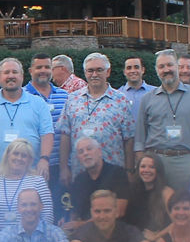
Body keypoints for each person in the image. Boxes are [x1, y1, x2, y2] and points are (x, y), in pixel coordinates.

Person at [136, 49, 190, 193]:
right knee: (156, 210)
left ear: (177, 66)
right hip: (155, 163)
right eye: (161, 67)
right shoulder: (147, 99)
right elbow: (139, 138)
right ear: (156, 70)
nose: (166, 70)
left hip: (186, 162)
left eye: (169, 65)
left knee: (185, 209)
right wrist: (143, 165)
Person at [57, 52, 134, 185]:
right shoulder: (72, 99)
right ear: (85, 73)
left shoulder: (121, 100)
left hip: (113, 173)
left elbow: (129, 138)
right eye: (90, 70)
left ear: (108, 72)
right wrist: (63, 168)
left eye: (99, 70)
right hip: (80, 172)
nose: (94, 74)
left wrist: (129, 169)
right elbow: (65, 135)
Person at [0, 57, 54, 179]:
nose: (11, 76)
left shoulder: (38, 103)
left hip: (32, 172)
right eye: (6, 72)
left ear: (22, 76)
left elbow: (47, 133)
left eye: (15, 72)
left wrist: (44, 159)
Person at [0, 139, 53, 232]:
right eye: (16, 154)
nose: (19, 158)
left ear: (30, 160)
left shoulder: (38, 181)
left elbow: (47, 216)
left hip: (30, 241)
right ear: (8, 156)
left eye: (24, 156)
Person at [23, 54, 68, 204]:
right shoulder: (22, 96)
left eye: (47, 67)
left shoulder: (65, 96)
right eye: (39, 67)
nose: (43, 70)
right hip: (31, 167)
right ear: (30, 70)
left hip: (59, 165)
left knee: (59, 209)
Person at [65, 137, 130, 230]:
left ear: (99, 152)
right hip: (86, 233)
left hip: (115, 230)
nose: (85, 153)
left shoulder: (117, 173)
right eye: (81, 152)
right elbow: (75, 213)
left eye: (89, 149)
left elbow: (119, 211)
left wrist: (82, 225)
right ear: (78, 158)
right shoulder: (79, 180)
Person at [123, 152, 172, 241]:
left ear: (158, 170)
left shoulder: (166, 192)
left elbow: (178, 222)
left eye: (151, 167)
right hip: (134, 239)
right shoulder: (131, 190)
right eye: (143, 166)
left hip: (157, 240)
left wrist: (157, 236)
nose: (146, 170)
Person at [116, 55, 154, 121]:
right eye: (129, 68)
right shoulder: (117, 95)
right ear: (124, 72)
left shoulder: (155, 93)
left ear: (142, 70)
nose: (133, 71)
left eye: (136, 67)